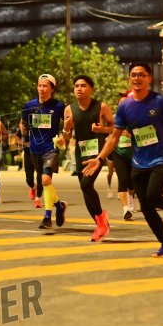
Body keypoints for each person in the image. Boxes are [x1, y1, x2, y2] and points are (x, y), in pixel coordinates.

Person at [82, 63, 163, 257]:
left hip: (160, 158)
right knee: (145, 207)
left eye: (141, 75)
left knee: (152, 197)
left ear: (149, 78)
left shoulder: (160, 101)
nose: (136, 78)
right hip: (138, 162)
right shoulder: (125, 106)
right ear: (129, 78)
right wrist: (100, 158)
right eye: (133, 75)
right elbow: (115, 137)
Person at [62, 75, 115, 242]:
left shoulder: (101, 107)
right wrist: (66, 128)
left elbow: (114, 128)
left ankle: (101, 218)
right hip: (81, 153)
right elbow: (66, 137)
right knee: (85, 189)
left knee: (86, 184)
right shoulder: (69, 109)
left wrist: (102, 130)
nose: (79, 88)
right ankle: (100, 224)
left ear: (91, 89)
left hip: (97, 153)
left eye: (83, 85)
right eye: (76, 85)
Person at [21, 74, 67, 229]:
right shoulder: (29, 106)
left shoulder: (59, 106)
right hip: (35, 150)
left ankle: (47, 217)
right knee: (45, 183)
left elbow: (68, 124)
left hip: (50, 149)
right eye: (39, 85)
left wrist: (63, 136)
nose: (41, 88)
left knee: (46, 180)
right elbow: (23, 123)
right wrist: (23, 129)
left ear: (52, 89)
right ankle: (59, 206)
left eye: (45, 86)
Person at [111, 91, 137, 220]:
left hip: (132, 154)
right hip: (118, 153)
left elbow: (141, 135)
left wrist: (129, 135)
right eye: (120, 104)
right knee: (122, 179)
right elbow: (108, 132)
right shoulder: (113, 119)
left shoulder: (134, 118)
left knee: (131, 181)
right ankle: (125, 209)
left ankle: (131, 198)